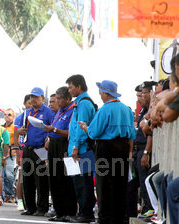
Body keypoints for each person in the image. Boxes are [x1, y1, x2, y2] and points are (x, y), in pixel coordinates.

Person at [78, 80, 136, 224]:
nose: (100, 95)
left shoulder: (104, 109)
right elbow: (132, 134)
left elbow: (94, 132)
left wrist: (85, 127)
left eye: (101, 92)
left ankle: (105, 218)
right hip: (122, 147)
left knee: (104, 185)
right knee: (120, 184)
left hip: (106, 148)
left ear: (105, 93)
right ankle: (120, 218)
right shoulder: (126, 110)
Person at [16, 87, 54, 217]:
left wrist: (48, 139)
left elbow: (53, 128)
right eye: (32, 97)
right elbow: (18, 127)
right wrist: (20, 131)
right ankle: (30, 207)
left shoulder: (48, 112)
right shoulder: (27, 112)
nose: (33, 99)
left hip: (41, 149)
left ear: (42, 98)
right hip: (27, 148)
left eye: (36, 97)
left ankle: (42, 207)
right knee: (27, 180)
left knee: (41, 180)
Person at [66, 74, 97, 224]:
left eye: (71, 87)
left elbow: (81, 127)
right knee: (78, 183)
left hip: (82, 150)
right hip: (77, 149)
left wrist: (76, 147)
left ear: (79, 87)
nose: (69, 90)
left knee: (84, 183)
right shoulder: (78, 102)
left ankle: (86, 213)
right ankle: (82, 212)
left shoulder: (84, 103)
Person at [43, 86, 77, 221]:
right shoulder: (59, 111)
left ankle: (69, 212)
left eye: (59, 99)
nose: (56, 101)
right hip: (54, 145)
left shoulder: (72, 110)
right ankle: (59, 211)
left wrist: (54, 130)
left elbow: (70, 132)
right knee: (54, 179)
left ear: (67, 99)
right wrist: (49, 137)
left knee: (65, 180)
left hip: (64, 146)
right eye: (55, 99)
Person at [126, 80, 156, 220]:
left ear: (150, 94)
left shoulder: (151, 110)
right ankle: (130, 214)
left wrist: (146, 153)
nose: (140, 98)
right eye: (139, 95)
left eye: (142, 94)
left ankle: (149, 209)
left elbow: (150, 133)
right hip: (137, 151)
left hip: (144, 150)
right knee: (132, 185)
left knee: (145, 183)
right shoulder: (143, 111)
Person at [13, 94, 32, 212]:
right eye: (29, 103)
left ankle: (30, 202)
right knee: (21, 175)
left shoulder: (36, 116)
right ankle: (20, 201)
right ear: (24, 104)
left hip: (33, 149)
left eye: (32, 103)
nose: (31, 105)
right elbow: (15, 135)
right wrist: (16, 151)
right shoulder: (20, 117)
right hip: (22, 149)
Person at [2, 108, 16, 203]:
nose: (7, 116)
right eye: (5, 114)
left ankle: (11, 194)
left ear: (13, 117)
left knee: (9, 175)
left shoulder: (14, 127)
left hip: (11, 153)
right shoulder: (2, 127)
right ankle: (6, 194)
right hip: (2, 152)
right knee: (2, 175)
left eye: (9, 114)